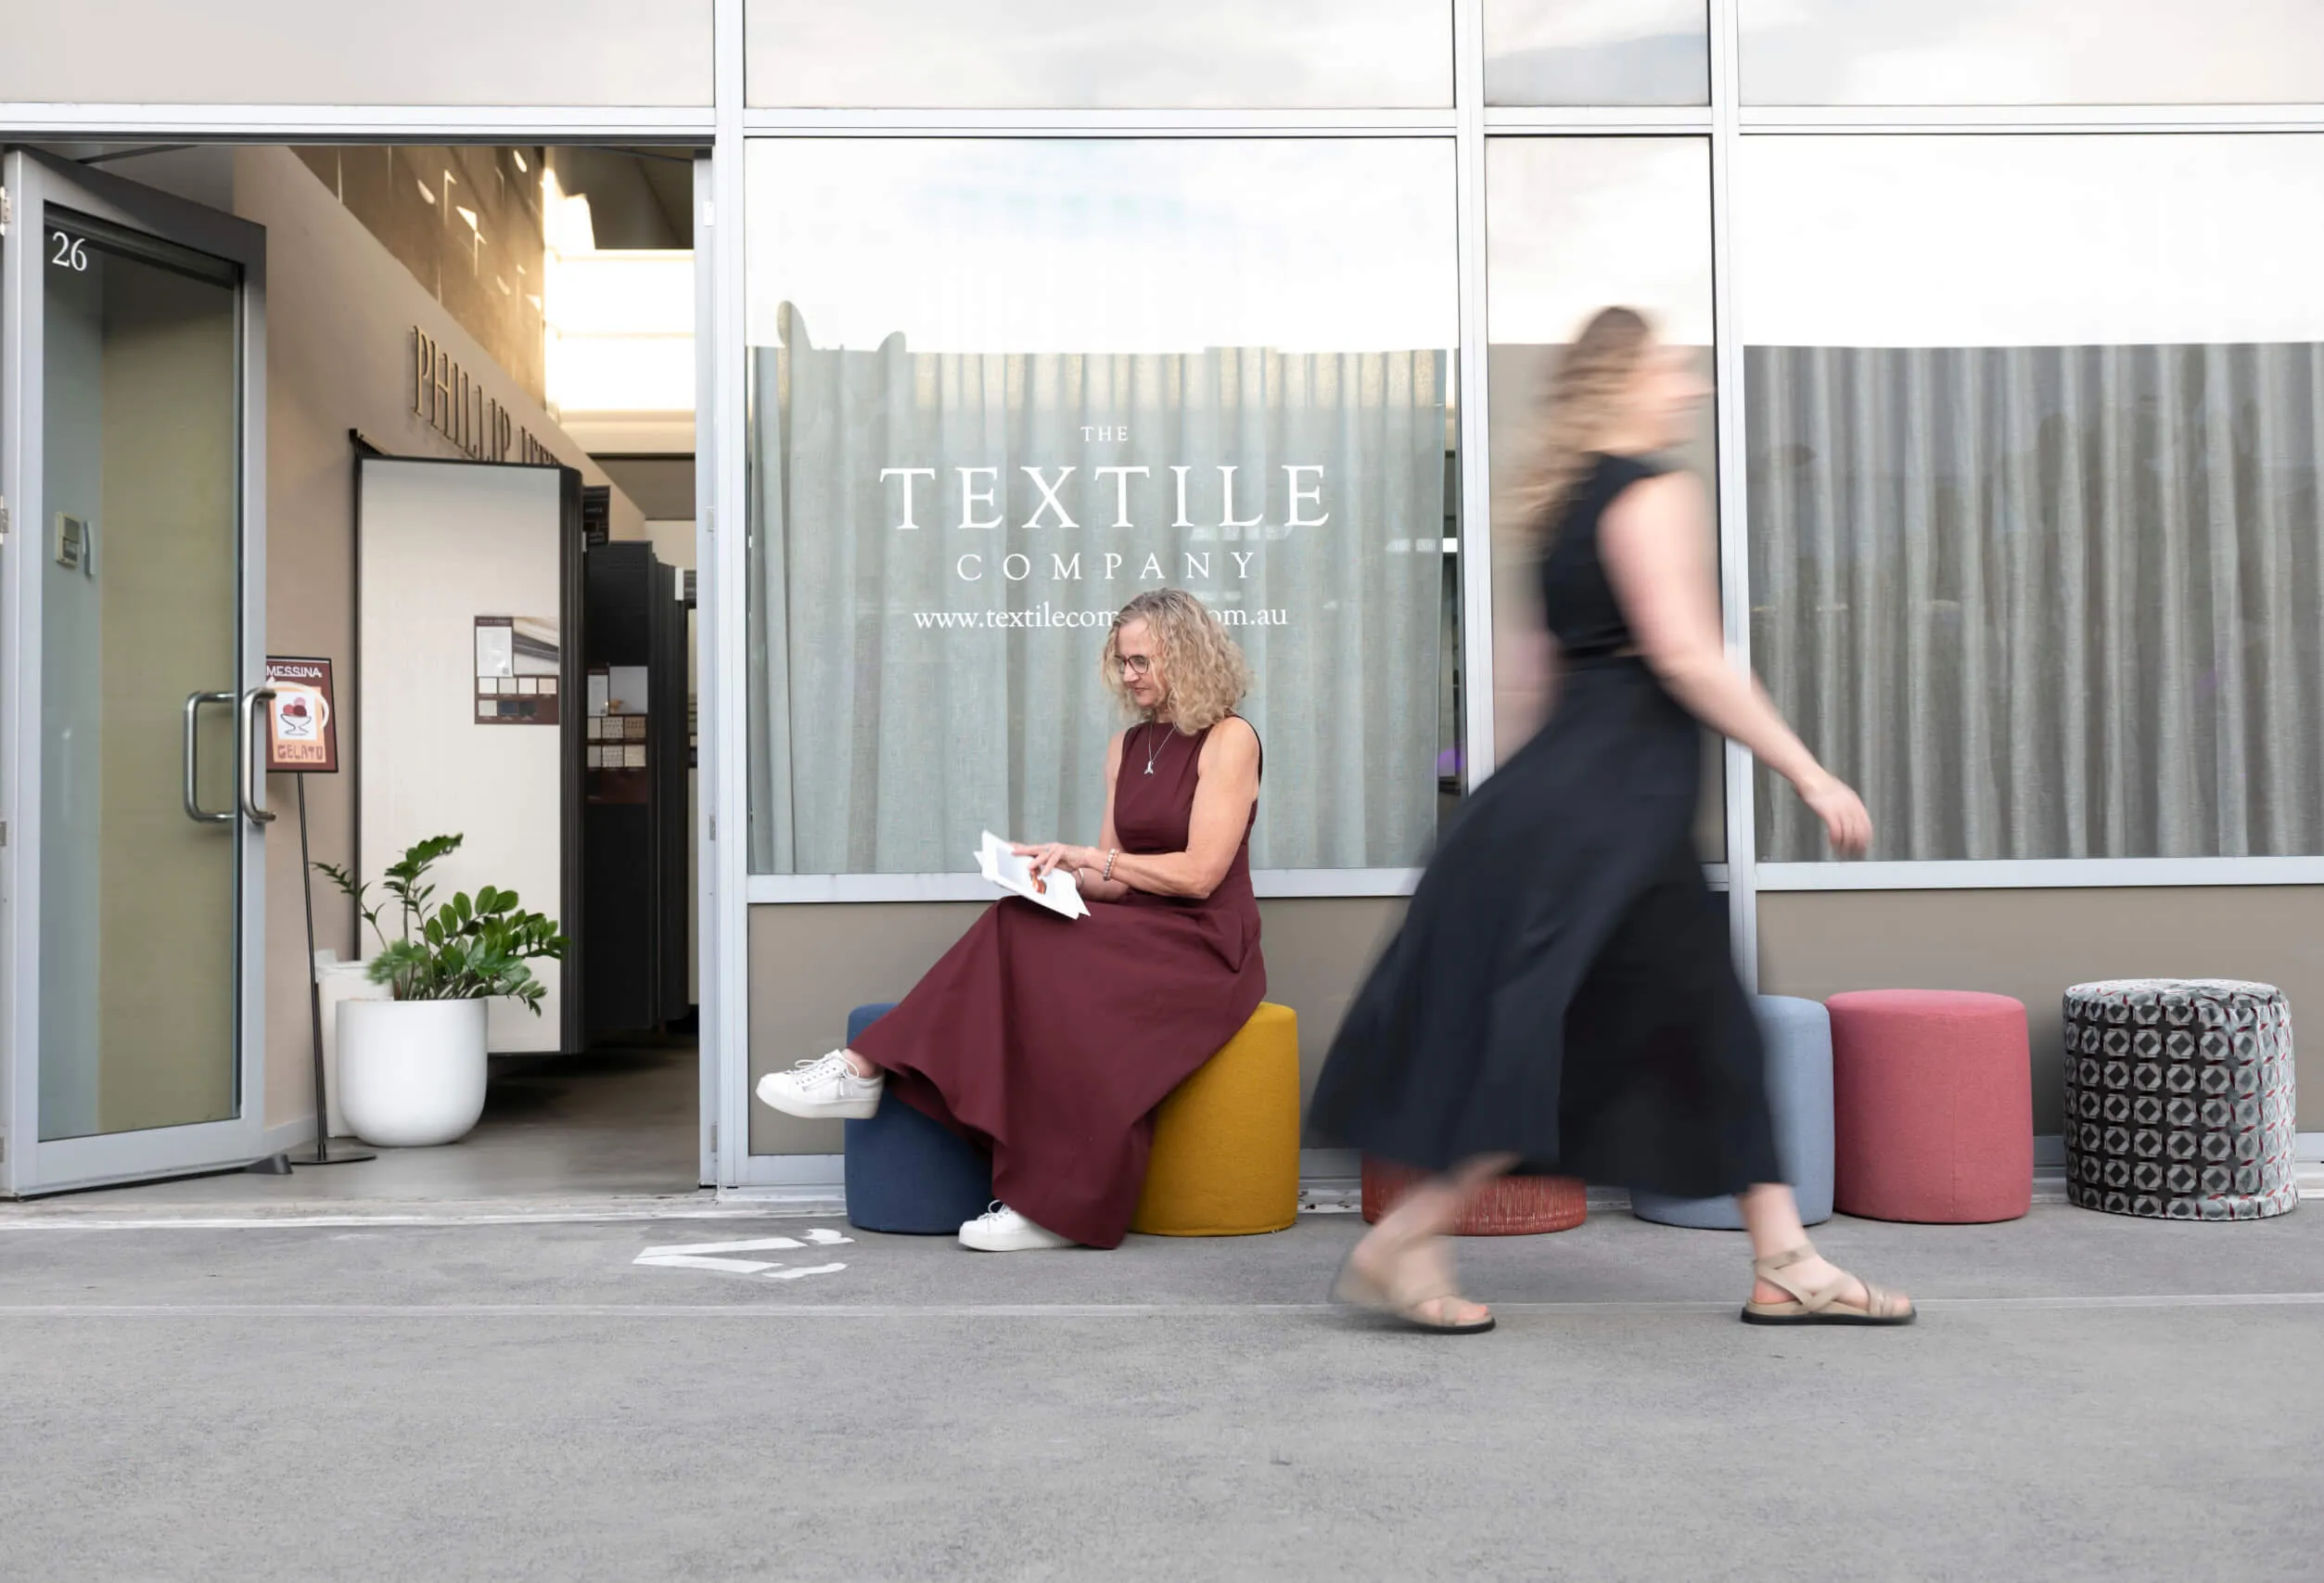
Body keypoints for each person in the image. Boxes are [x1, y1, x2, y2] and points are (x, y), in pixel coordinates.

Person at [1309, 307, 1913, 1334]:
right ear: (1626, 378)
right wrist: (1807, 771)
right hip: (1620, 802)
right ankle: (1411, 1237)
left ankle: (1783, 1260)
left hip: (1577, 800)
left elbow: (1527, 681)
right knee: (1627, 1024)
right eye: (1674, 369)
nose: (1692, 386)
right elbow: (1687, 655)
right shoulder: (1651, 490)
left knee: (1681, 1019)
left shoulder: (1560, 504)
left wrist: (1515, 815)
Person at [756, 588, 1267, 1253]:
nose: (1128, 675)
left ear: (1187, 655)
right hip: (1139, 929)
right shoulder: (1128, 745)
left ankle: (866, 1070)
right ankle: (1023, 1189)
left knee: (1022, 939)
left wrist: (1090, 856)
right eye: (1122, 661)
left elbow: (1199, 875)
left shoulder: (1230, 738)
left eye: (1141, 660)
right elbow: (1113, 882)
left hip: (1205, 945)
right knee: (1019, 913)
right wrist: (1051, 873)